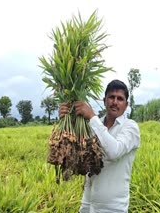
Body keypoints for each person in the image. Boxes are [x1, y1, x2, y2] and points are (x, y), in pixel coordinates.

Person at [59, 79, 140, 213]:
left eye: (120, 99)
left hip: (113, 208)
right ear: (104, 101)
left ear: (126, 105)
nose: (114, 102)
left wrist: (91, 116)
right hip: (87, 205)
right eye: (111, 97)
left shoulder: (130, 127)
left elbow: (115, 151)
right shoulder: (92, 126)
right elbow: (76, 149)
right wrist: (66, 118)